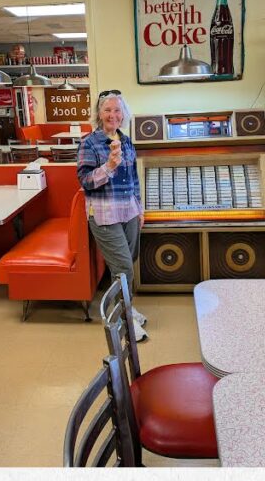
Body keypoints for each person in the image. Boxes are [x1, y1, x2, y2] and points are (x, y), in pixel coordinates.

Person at [76, 90, 148, 341]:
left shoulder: (126, 141)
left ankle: (126, 306)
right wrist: (108, 167)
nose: (112, 115)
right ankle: (123, 320)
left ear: (123, 114)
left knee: (130, 260)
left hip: (128, 210)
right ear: (98, 114)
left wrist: (139, 209)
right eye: (107, 110)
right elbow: (85, 181)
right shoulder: (89, 143)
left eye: (117, 110)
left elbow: (135, 179)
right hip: (104, 214)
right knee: (123, 268)